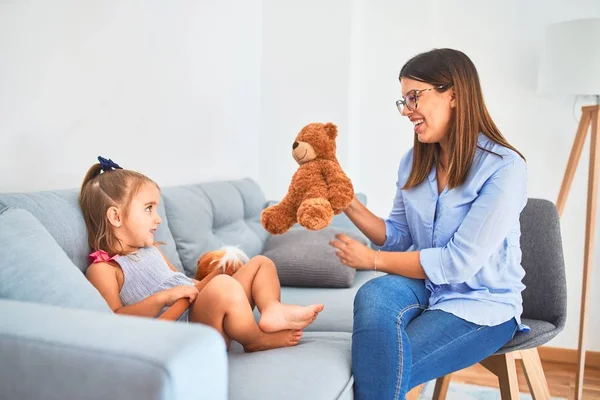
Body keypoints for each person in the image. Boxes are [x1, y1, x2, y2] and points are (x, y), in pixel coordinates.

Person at [329, 48, 529, 399]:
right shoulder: (413, 162)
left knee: (381, 366)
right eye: (402, 101)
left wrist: (371, 260)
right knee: (373, 293)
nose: (406, 111)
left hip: (482, 303)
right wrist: (345, 199)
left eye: (413, 97)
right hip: (426, 287)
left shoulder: (504, 167)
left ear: (452, 93)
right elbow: (397, 236)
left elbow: (457, 263)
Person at [80, 156, 323, 352]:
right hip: (187, 329)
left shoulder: (151, 250)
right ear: (115, 216)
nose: (158, 218)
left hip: (205, 307)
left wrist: (214, 275)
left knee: (260, 263)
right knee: (223, 286)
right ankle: (255, 339)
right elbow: (118, 321)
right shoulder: (103, 269)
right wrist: (163, 298)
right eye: (148, 209)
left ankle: (271, 309)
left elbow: (188, 284)